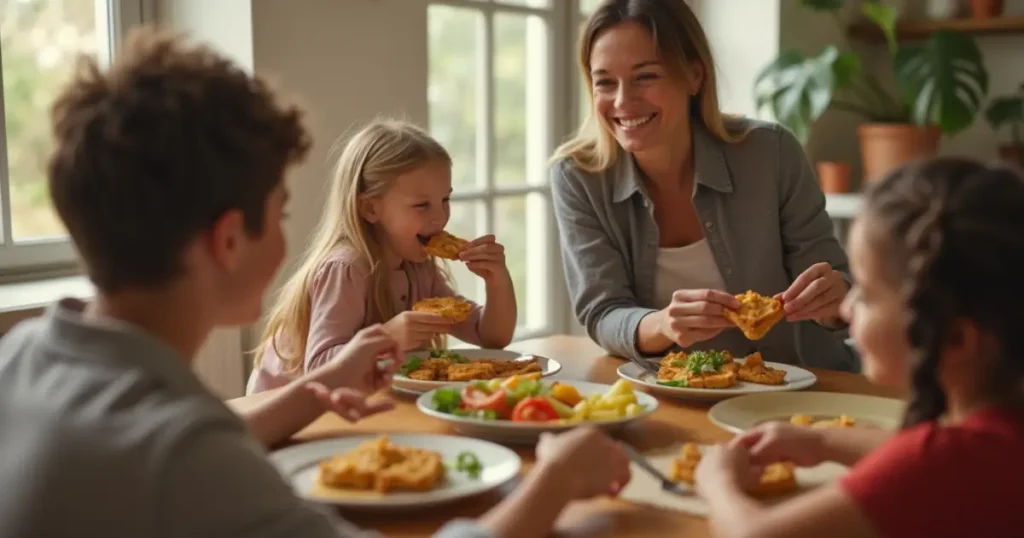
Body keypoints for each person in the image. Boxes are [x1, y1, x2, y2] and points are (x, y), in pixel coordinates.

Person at [0, 28, 631, 538]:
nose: (287, 235)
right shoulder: (188, 459)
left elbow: (211, 431)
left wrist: (323, 384)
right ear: (227, 241)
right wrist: (553, 484)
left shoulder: (20, 360)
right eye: (278, 210)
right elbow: (192, 449)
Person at [695, 158, 1024, 537]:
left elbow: (755, 534)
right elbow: (917, 454)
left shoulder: (946, 463)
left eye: (866, 295)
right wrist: (820, 440)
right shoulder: (990, 437)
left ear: (955, 339)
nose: (847, 307)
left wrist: (717, 483)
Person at [550, 0, 855, 370]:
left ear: (695, 75)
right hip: (673, 392)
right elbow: (602, 313)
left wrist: (835, 302)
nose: (622, 101)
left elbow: (840, 290)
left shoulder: (772, 153)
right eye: (605, 82)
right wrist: (662, 324)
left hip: (800, 388)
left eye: (646, 76)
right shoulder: (578, 177)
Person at [247, 119, 517, 394]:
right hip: (283, 413)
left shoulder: (419, 266)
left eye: (445, 200)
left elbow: (491, 337)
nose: (440, 217)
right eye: (422, 205)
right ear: (370, 209)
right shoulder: (347, 268)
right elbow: (319, 370)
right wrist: (387, 337)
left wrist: (497, 282)